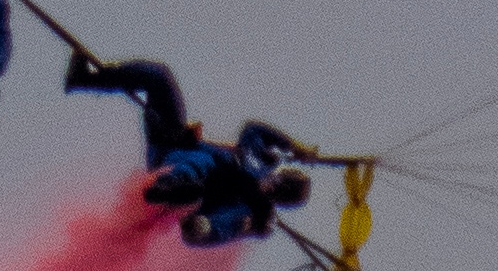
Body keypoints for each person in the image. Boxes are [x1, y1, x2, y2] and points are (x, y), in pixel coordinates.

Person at [62, 48, 313, 246]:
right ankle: (83, 79)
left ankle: (170, 188)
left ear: (279, 201)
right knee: (159, 77)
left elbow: (223, 227)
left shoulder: (250, 209)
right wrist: (292, 146)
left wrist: (201, 228)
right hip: (171, 143)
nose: (273, 186)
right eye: (280, 181)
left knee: (202, 170)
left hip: (184, 180)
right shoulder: (256, 160)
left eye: (280, 192)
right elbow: (254, 130)